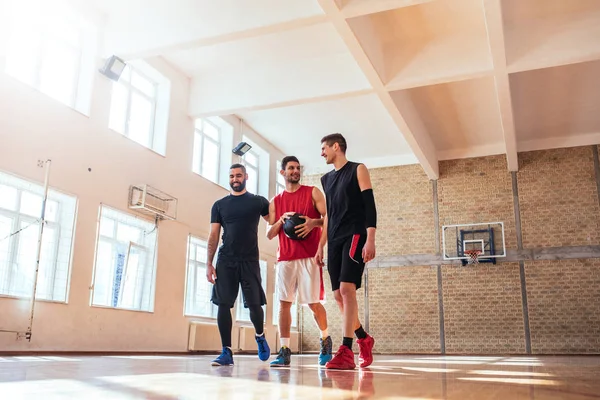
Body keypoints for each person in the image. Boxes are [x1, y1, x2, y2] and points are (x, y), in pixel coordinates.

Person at [315, 133, 377, 370]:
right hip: (335, 240)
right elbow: (329, 215)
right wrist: (321, 244)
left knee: (346, 289)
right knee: (338, 296)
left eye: (324, 148)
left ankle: (346, 350)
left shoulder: (358, 169)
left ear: (336, 147)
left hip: (355, 234)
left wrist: (370, 238)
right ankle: (363, 337)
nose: (322, 153)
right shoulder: (325, 179)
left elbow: (369, 205)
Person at [266, 156, 333, 367]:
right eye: (291, 168)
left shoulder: (312, 192)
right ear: (282, 172)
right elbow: (269, 234)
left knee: (313, 303)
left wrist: (313, 223)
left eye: (297, 168)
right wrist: (281, 220)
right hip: (285, 258)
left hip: (309, 257)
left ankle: (325, 340)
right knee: (284, 303)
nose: (295, 171)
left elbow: (330, 217)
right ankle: (284, 350)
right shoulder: (275, 201)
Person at [206, 163, 271, 366]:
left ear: (246, 177)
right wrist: (209, 263)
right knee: (223, 304)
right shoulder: (219, 205)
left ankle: (260, 336)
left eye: (239, 175)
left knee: (254, 304)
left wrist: (287, 219)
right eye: (232, 176)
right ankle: (226, 351)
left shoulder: (258, 202)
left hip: (250, 260)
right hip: (226, 260)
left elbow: (274, 222)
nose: (235, 179)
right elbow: (214, 235)